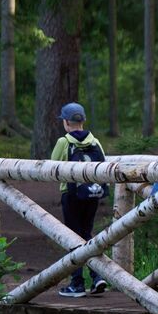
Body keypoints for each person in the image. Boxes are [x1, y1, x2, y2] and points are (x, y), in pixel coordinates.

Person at [50, 103, 108, 298]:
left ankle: (77, 284)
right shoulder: (95, 142)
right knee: (86, 234)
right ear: (83, 121)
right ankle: (97, 275)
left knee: (72, 238)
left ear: (66, 122)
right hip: (91, 194)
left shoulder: (64, 142)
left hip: (71, 195)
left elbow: (53, 165)